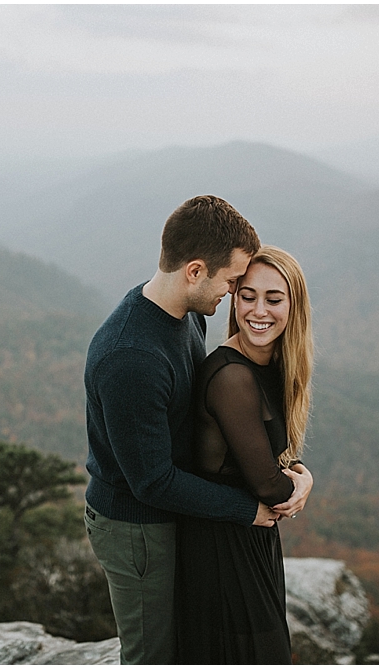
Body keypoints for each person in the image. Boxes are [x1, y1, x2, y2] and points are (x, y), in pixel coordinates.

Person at [84, 195, 280, 664]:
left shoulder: (185, 312)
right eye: (232, 281)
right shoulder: (131, 357)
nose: (233, 294)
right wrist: (243, 508)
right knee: (154, 654)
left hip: (174, 511)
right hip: (137, 528)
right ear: (195, 271)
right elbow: (150, 481)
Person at [175, 245, 315, 663]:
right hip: (222, 545)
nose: (259, 310)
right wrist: (299, 485)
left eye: (274, 299)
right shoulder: (231, 376)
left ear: (294, 305)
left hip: (250, 538)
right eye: (247, 295)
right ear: (234, 298)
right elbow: (268, 486)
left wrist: (300, 470)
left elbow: (273, 452)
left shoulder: (274, 364)